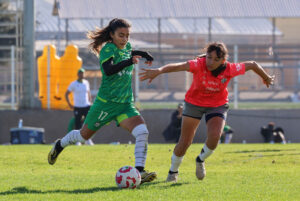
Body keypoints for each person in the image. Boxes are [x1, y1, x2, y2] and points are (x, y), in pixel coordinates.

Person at [139, 42, 275, 182]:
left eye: (216, 60)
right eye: (209, 57)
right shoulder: (198, 64)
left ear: (223, 60)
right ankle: (173, 172)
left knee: (215, 135)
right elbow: (178, 66)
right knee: (185, 142)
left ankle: (200, 159)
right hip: (194, 103)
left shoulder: (229, 68)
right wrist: (159, 70)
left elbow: (252, 64)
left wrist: (266, 77)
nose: (211, 62)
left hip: (217, 105)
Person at [48, 18, 157, 184]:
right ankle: (59, 145)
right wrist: (129, 61)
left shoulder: (127, 47)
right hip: (105, 104)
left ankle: (140, 172)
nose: (125, 39)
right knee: (83, 137)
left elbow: (130, 51)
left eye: (127, 35)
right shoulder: (108, 49)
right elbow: (109, 70)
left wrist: (144, 54)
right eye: (121, 35)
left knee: (142, 132)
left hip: (125, 104)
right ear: (112, 35)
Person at [65, 68, 94, 146]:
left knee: (88, 123)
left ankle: (88, 139)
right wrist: (69, 104)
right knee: (77, 123)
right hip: (78, 106)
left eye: (83, 73)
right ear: (78, 74)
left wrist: (90, 101)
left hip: (86, 106)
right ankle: (78, 140)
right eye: (80, 73)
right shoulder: (73, 84)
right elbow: (66, 94)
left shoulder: (86, 83)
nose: (82, 75)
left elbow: (88, 92)